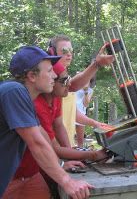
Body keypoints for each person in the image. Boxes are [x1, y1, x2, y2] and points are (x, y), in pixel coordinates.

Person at [0, 46, 93, 198]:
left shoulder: (25, 97)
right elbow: (36, 143)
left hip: (24, 176)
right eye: (49, 71)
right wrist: (68, 182)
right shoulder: (13, 91)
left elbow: (42, 135)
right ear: (31, 76)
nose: (54, 76)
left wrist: (61, 164)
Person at [48, 35, 114, 146]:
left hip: (63, 148)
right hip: (54, 149)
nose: (69, 54)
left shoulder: (63, 79)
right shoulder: (51, 78)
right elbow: (73, 86)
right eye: (64, 50)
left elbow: (73, 112)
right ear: (52, 52)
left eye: (71, 50)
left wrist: (95, 123)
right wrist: (96, 64)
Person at [75, 79, 94, 147]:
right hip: (71, 113)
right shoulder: (74, 87)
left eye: (87, 81)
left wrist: (85, 91)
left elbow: (86, 104)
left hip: (81, 115)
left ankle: (79, 155)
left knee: (80, 140)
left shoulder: (90, 91)